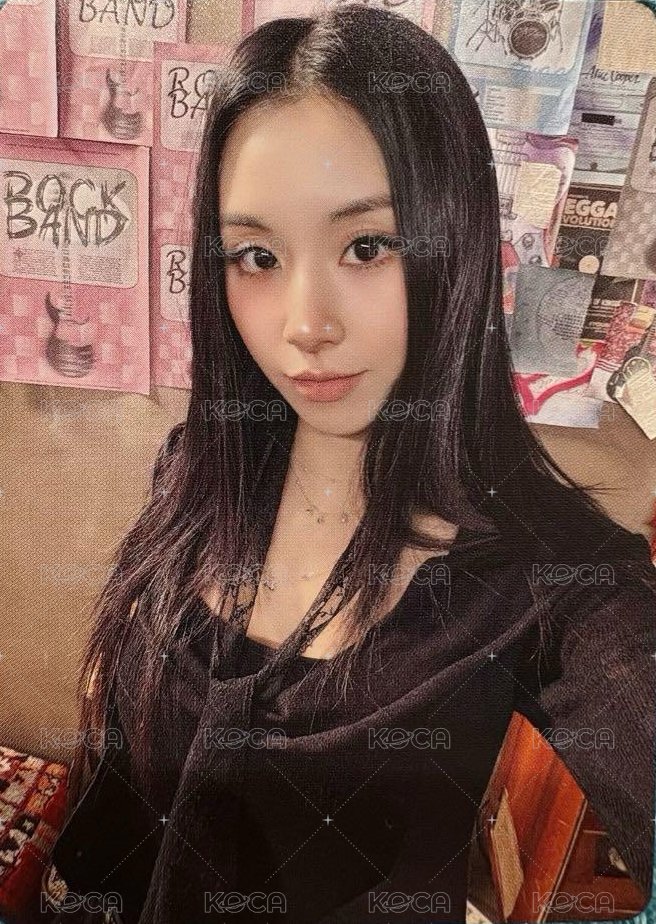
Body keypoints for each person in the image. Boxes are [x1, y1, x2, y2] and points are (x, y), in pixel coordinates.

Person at [43, 4, 656, 923]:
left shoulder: (558, 582)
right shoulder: (200, 469)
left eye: (367, 247)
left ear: (454, 243)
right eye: (257, 256)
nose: (305, 325)